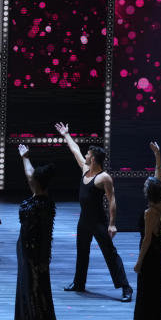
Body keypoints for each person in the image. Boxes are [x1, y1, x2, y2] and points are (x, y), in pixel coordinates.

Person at [55, 122, 132, 301]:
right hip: (84, 221)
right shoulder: (85, 169)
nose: (86, 156)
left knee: (109, 254)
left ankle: (126, 287)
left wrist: (112, 224)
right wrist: (66, 134)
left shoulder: (103, 177)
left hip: (98, 222)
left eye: (89, 154)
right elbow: (75, 150)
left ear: (95, 159)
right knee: (82, 252)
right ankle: (79, 282)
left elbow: (112, 199)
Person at [13, 144, 62, 320]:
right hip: (24, 248)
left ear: (38, 183)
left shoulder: (44, 205)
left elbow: (46, 235)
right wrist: (25, 157)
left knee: (35, 288)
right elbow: (30, 173)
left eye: (33, 179)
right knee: (26, 286)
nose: (30, 179)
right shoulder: (36, 194)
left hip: (35, 252)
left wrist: (43, 259)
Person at [131, 141, 161, 320]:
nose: (145, 184)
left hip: (150, 255)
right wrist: (158, 156)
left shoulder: (150, 213)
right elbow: (159, 178)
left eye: (146, 184)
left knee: (147, 293)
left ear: (149, 193)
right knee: (155, 292)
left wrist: (138, 262)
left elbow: (146, 240)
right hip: (159, 252)